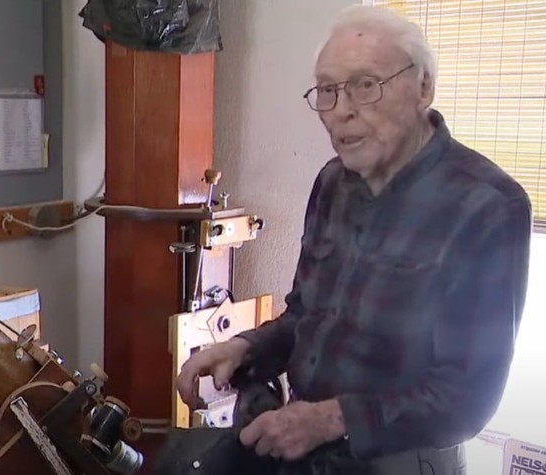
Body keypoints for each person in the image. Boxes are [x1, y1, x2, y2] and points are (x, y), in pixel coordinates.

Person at [177, 5, 532, 474]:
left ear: (423, 86)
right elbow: (307, 315)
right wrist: (247, 347)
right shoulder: (332, 182)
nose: (341, 110)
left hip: (400, 460)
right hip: (306, 447)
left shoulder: (487, 206)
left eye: (366, 85)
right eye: (327, 90)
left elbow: (465, 397)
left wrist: (329, 420)